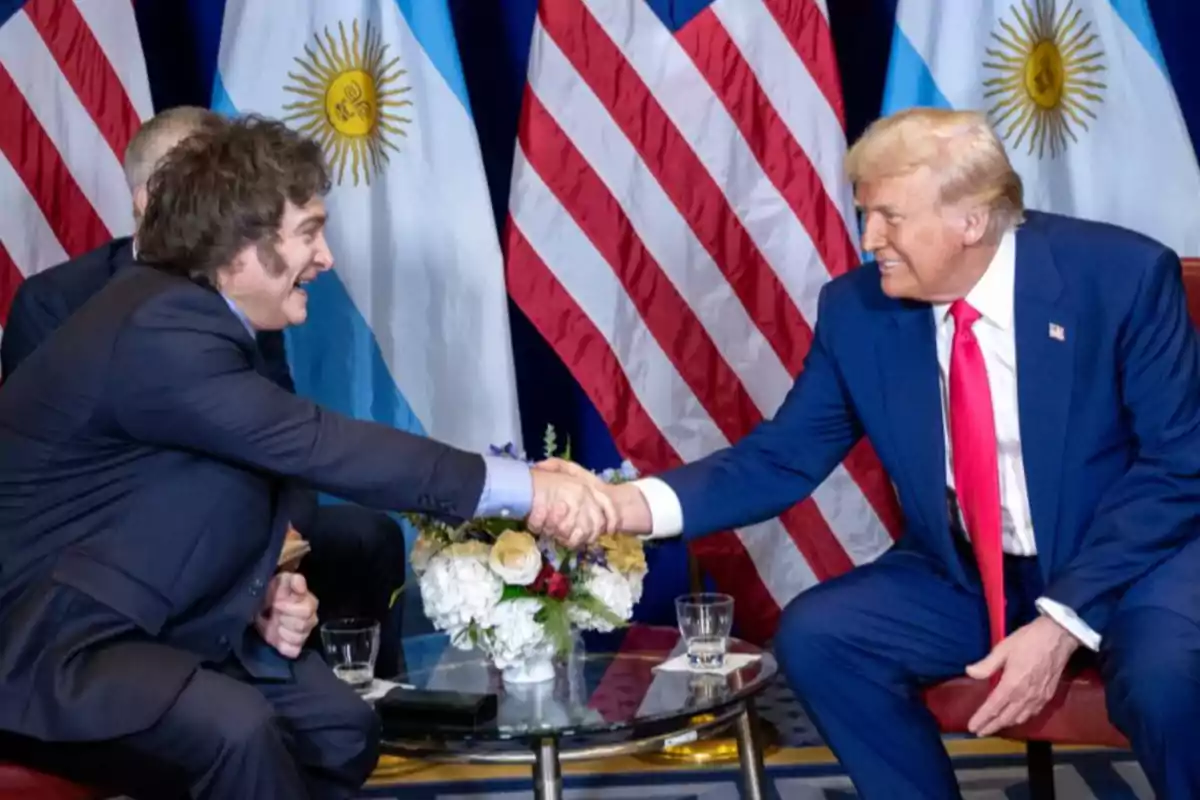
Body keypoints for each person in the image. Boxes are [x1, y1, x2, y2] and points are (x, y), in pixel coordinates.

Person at [557, 108, 1200, 798]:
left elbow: (1178, 467)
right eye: (866, 216)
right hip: (970, 571)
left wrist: (1061, 620)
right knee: (821, 637)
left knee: (1165, 675)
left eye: (890, 218)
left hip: (1136, 563)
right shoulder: (858, 310)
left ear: (972, 221)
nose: (870, 241)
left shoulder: (1122, 278)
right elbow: (780, 457)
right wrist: (622, 505)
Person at [0, 114, 612, 799]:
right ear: (240, 249)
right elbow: (323, 445)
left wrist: (258, 583)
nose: (326, 259)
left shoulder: (203, 315)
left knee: (339, 727)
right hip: (54, 646)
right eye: (309, 233)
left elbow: (238, 481)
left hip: (159, 620)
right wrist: (528, 490)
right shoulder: (160, 326)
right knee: (238, 731)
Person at [1, 105, 408, 678]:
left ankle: (380, 710)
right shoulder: (57, 304)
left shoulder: (244, 284)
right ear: (151, 199)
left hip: (250, 516)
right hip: (126, 543)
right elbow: (49, 479)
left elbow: (281, 432)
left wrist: (281, 545)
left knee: (366, 536)